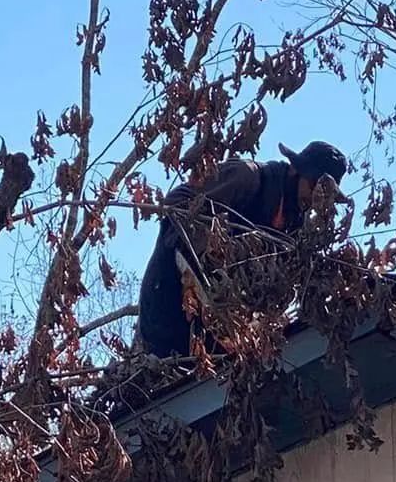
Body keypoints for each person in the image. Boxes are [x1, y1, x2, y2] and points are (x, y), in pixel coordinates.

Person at [137, 140, 350, 358]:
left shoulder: (296, 230)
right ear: (296, 169)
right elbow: (177, 204)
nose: (316, 199)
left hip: (219, 328)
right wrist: (214, 252)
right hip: (167, 299)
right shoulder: (246, 178)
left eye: (325, 194)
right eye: (315, 185)